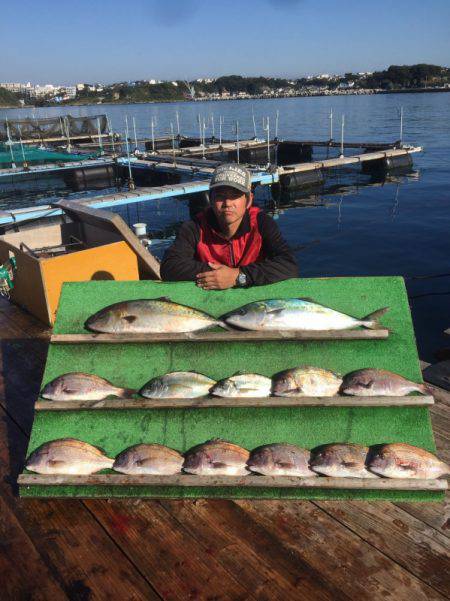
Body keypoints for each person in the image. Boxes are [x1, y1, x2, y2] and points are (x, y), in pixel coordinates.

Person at [160, 163, 298, 290]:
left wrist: (238, 276)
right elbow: (169, 267)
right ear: (211, 199)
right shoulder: (194, 227)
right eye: (220, 196)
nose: (227, 203)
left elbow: (288, 265)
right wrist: (218, 275)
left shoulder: (262, 223)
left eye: (235, 195)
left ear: (248, 200)